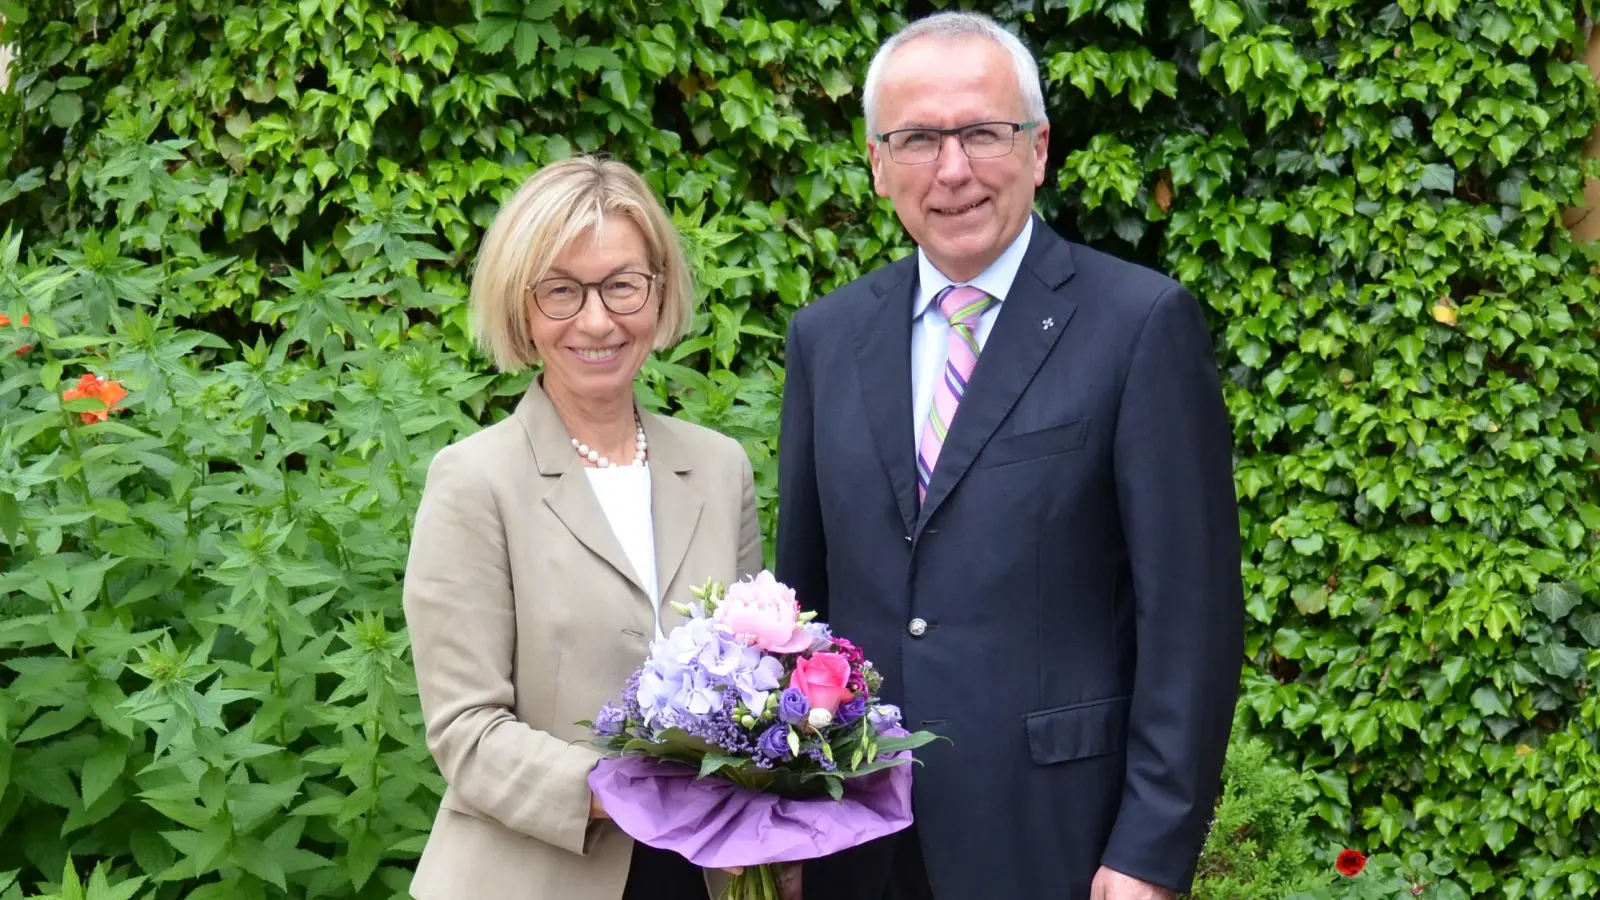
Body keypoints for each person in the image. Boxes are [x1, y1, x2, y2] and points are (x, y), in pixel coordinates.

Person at [775, 12, 1244, 900]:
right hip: (857, 845)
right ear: (877, 164)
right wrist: (791, 811)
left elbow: (1192, 619)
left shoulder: (1139, 325)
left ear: (1038, 150)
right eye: (917, 139)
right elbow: (806, 604)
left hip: (1057, 840)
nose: (953, 170)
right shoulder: (826, 336)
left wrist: (1151, 848)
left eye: (983, 134)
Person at [402, 154, 763, 900]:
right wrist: (626, 788)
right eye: (562, 291)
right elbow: (466, 731)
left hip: (706, 878)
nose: (597, 319)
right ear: (521, 309)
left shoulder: (720, 467)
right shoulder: (474, 481)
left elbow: (757, 686)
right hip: (537, 875)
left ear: (659, 296)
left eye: (622, 285)